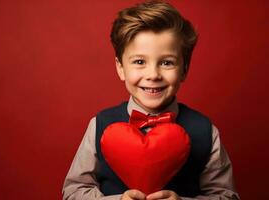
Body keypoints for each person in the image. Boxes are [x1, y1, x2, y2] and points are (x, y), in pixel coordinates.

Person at [62, 1, 240, 199]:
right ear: (120, 68)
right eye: (139, 62)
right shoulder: (100, 124)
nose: (153, 74)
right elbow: (73, 191)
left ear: (185, 69)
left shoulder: (206, 131)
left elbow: (227, 196)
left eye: (166, 62)